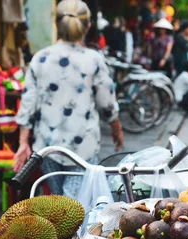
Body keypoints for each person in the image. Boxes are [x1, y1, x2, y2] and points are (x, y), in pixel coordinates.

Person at [13, 0, 123, 198]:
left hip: (47, 147)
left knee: (56, 203)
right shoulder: (94, 59)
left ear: (56, 23)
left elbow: (28, 102)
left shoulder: (40, 58)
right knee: (71, 210)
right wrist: (116, 128)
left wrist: (23, 142)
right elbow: (107, 104)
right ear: (87, 26)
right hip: (82, 149)